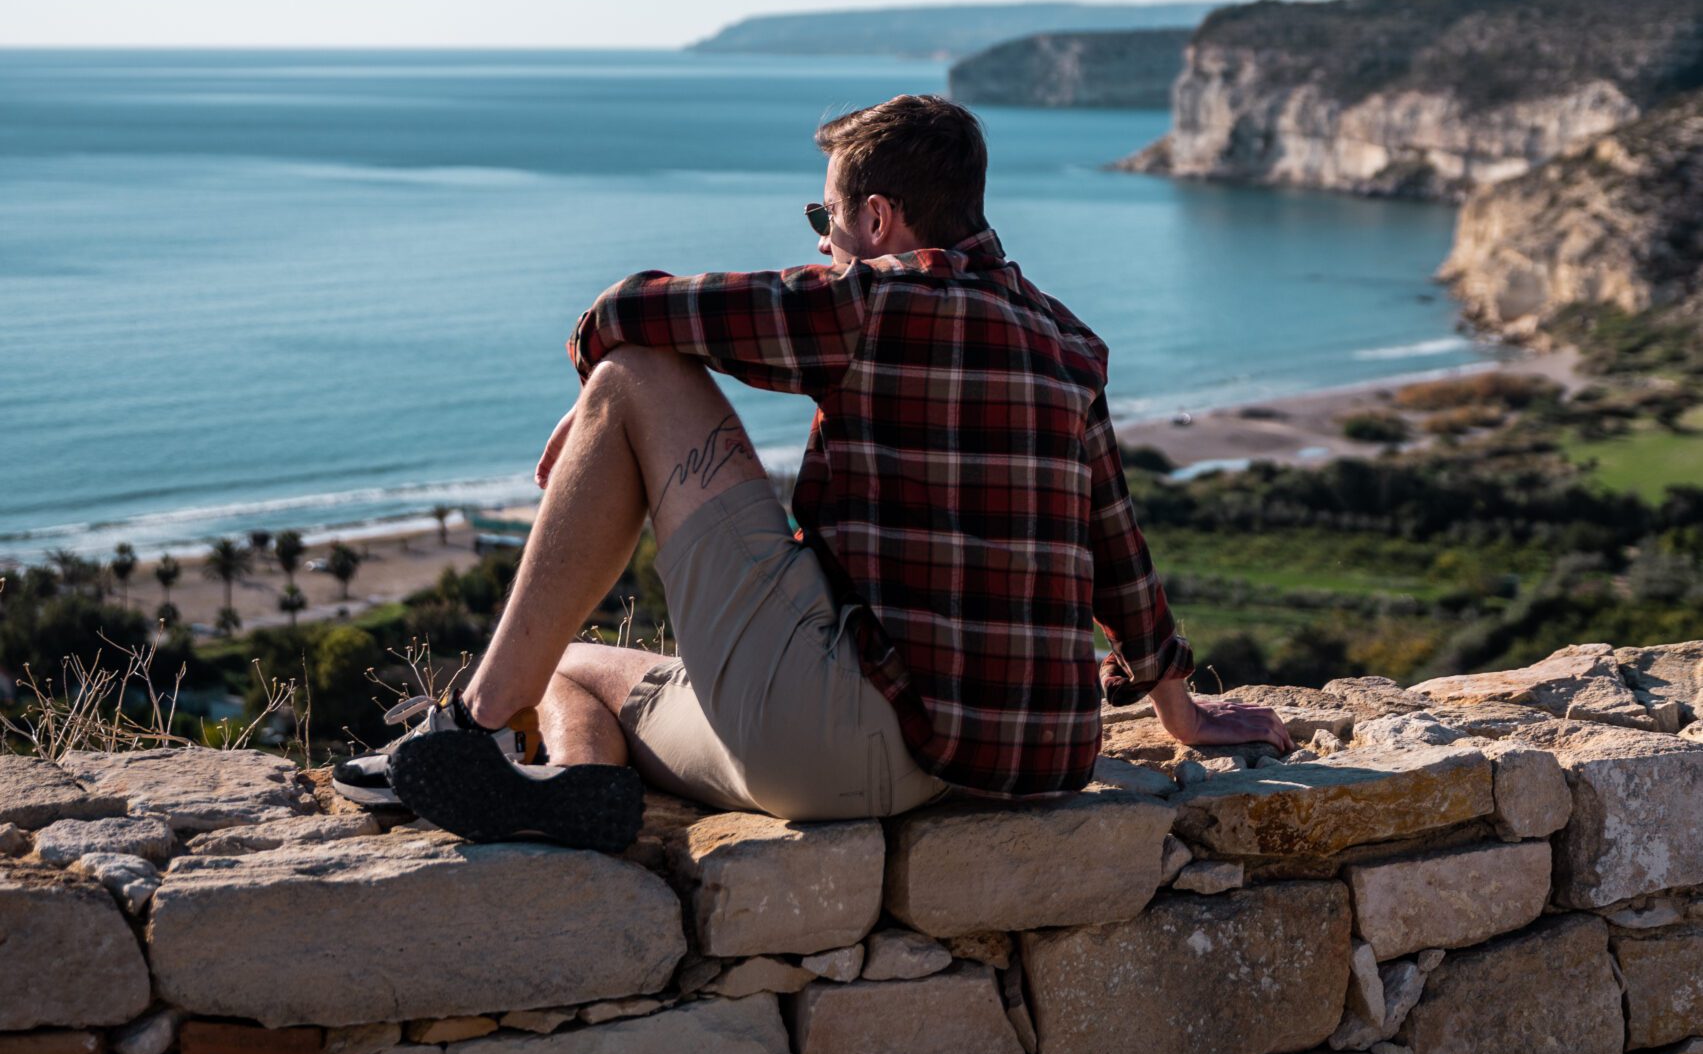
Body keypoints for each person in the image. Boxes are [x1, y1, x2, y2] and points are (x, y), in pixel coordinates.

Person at [349, 95, 1291, 845]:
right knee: (585, 665)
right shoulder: (1066, 341)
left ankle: (471, 733)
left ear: (876, 216)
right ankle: (574, 788)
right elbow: (1115, 544)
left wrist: (596, 387)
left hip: (842, 750)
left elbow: (629, 307)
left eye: (825, 214)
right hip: (1027, 759)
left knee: (633, 378)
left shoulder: (869, 301)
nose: (820, 238)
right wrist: (1180, 713)